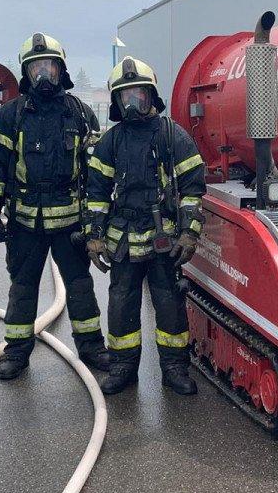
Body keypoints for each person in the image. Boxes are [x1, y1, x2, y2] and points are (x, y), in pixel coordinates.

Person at [0, 33, 108, 380]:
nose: (42, 74)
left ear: (60, 70)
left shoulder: (80, 114)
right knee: (23, 288)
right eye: (35, 67)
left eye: (49, 67)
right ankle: (16, 353)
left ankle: (91, 347)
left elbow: (95, 175)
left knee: (79, 286)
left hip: (70, 222)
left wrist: (94, 224)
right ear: (26, 72)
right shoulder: (10, 116)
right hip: (25, 221)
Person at [85, 57, 205, 395]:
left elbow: (193, 190)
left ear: (151, 95)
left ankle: (174, 369)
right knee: (121, 305)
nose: (133, 103)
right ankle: (123, 367)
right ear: (117, 101)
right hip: (122, 241)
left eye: (139, 94)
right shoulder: (111, 141)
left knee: (169, 305)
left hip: (162, 239)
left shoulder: (172, 136)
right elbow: (96, 194)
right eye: (126, 96)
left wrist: (189, 233)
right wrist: (94, 237)